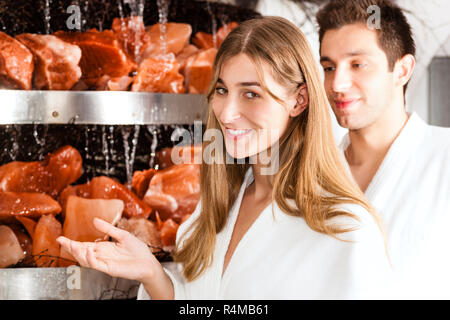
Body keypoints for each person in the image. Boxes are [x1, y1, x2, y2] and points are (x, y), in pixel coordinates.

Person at [57, 16, 395, 299]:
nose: (227, 113)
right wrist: (152, 274)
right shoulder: (217, 208)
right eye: (222, 90)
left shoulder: (346, 229)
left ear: (299, 100)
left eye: (251, 93)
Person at [316, 0, 450, 298]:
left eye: (357, 64)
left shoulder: (444, 159)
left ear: (402, 69)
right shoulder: (313, 177)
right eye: (328, 67)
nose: (337, 83)